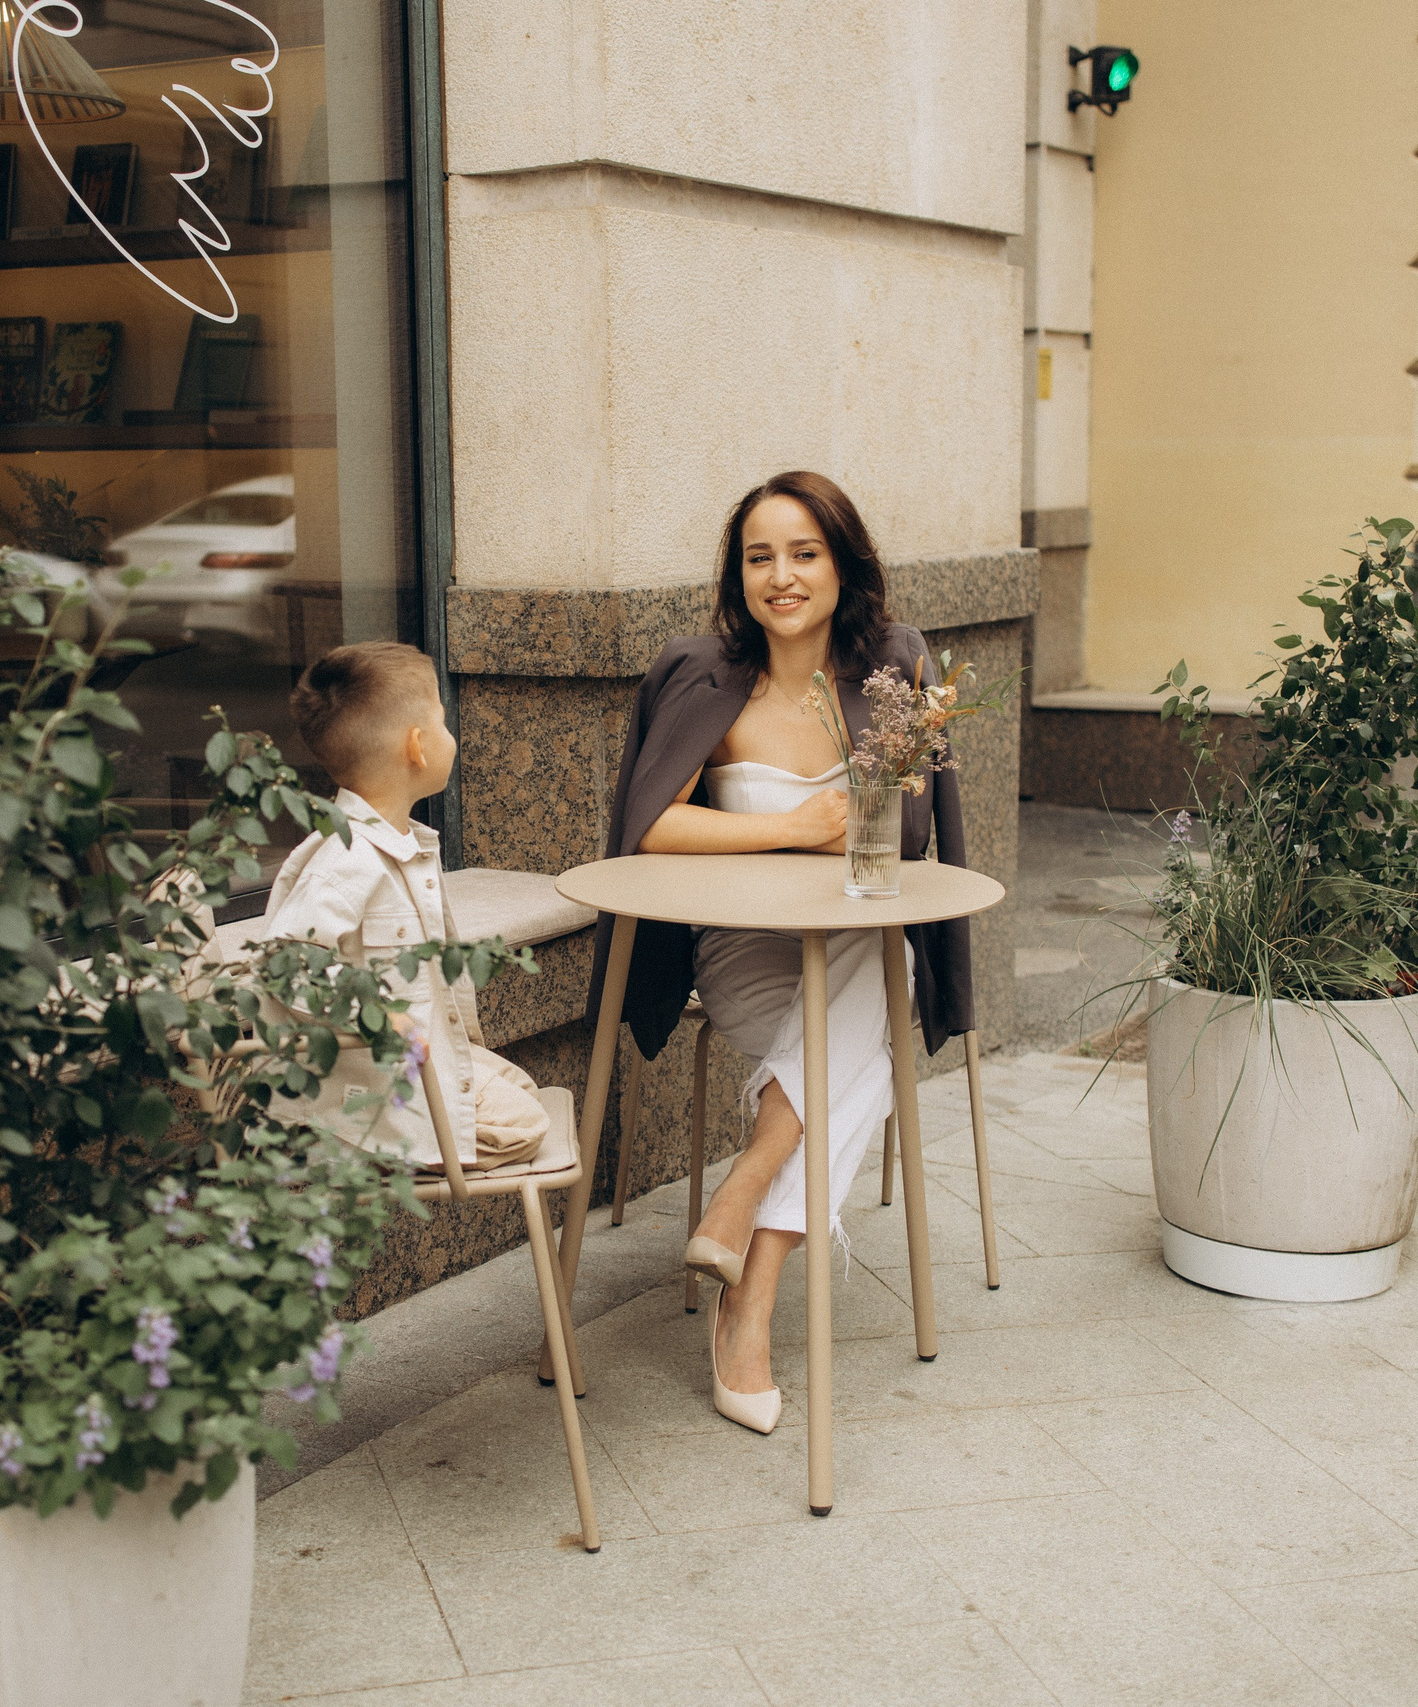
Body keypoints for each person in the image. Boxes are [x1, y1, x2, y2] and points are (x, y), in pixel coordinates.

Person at [592, 471, 972, 1433]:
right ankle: (754, 1212)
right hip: (741, 950)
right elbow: (653, 825)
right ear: (738, 575)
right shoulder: (702, 677)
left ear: (843, 566)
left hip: (859, 944)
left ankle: (748, 1264)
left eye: (805, 553)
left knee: (869, 982)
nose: (782, 576)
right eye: (760, 557)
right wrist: (793, 829)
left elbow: (911, 839)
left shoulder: (891, 675)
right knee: (861, 1045)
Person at [259, 641, 551, 1170]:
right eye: (443, 721)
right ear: (417, 746)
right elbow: (287, 964)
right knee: (527, 1125)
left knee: (520, 1087)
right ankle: (362, 1139)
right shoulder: (348, 858)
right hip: (373, 1087)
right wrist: (374, 1017)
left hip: (423, 1063)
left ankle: (428, 1124)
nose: (450, 736)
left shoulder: (396, 844)